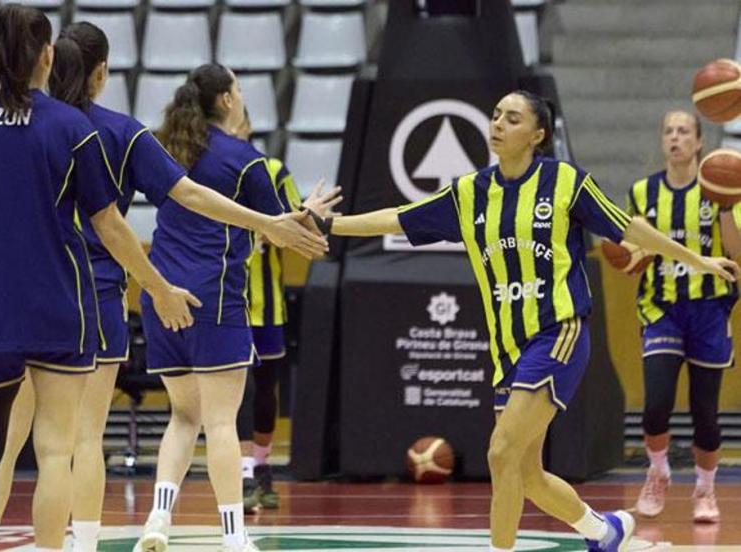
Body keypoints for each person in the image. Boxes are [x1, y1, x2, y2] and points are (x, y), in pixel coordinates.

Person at [303, 91, 740, 552]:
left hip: (558, 330)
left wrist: (698, 260)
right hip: (508, 346)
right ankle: (604, 531)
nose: (498, 124)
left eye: (512, 119)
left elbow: (628, 227)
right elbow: (398, 218)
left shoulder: (564, 182)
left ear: (537, 134)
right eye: (496, 115)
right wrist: (329, 225)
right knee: (525, 473)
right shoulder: (471, 192)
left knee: (500, 451)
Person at [0, 22, 328, 552]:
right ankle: (93, 544)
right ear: (102, 72)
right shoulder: (123, 133)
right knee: (82, 440)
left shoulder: (6, 122)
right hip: (105, 294)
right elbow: (184, 196)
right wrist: (267, 223)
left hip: (20, 292)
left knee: (8, 441)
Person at [0, 6, 198, 551]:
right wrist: (159, 288)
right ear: (47, 55)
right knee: (55, 452)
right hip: (60, 313)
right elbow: (110, 226)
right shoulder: (72, 128)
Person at [135, 63, 337, 552]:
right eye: (239, 89)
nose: (243, 97)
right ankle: (234, 535)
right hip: (214, 295)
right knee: (221, 422)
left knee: (183, 417)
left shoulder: (170, 149)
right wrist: (312, 215)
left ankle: (158, 519)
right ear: (226, 100)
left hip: (161, 292)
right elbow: (282, 230)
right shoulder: (246, 161)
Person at [627, 110, 741, 524]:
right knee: (656, 404)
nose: (675, 138)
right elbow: (631, 252)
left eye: (683, 131)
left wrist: (726, 207)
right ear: (662, 141)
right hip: (661, 309)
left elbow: (736, 253)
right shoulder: (642, 192)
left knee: (705, 412)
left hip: (709, 310)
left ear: (699, 142)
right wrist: (628, 256)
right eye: (669, 131)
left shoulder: (723, 187)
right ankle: (657, 471)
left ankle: (705, 489)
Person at [233, 113, 305, 512]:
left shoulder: (274, 171)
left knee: (264, 390)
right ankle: (243, 472)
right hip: (227, 300)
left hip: (267, 303)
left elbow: (298, 229)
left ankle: (262, 466)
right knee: (237, 389)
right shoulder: (208, 171)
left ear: (246, 126)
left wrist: (275, 232)